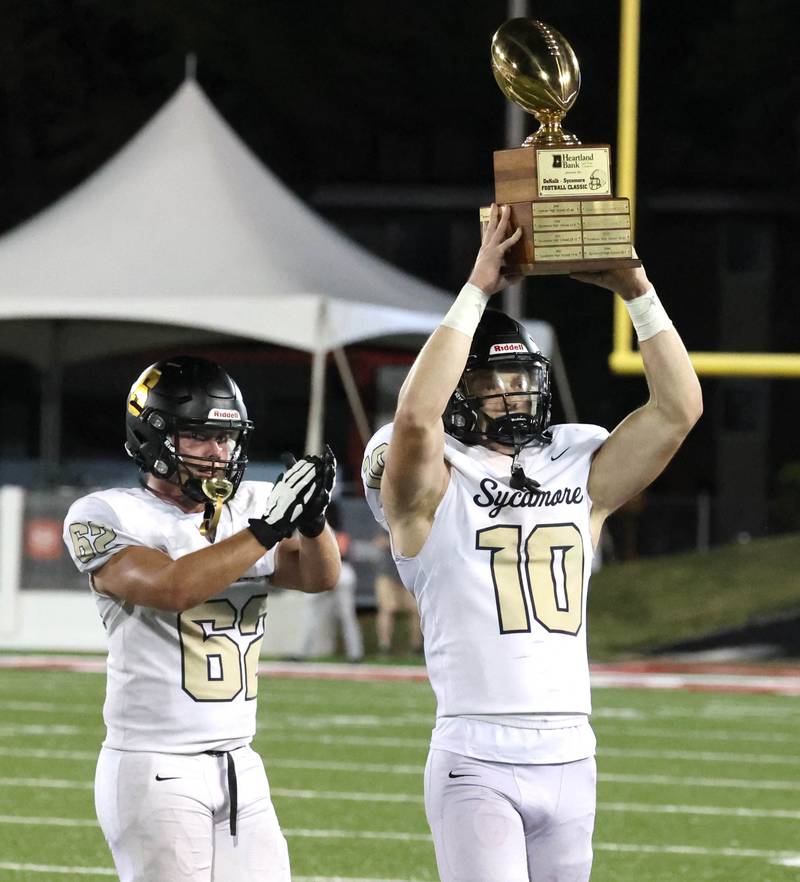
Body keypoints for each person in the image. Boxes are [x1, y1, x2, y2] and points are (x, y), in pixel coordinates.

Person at [361, 204, 702, 882]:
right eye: (492, 383)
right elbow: (416, 420)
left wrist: (638, 290)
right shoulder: (429, 477)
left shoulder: (575, 461)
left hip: (573, 753)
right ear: (460, 391)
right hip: (477, 757)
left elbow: (678, 410)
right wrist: (478, 288)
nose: (512, 397)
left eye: (521, 380)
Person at [63, 355, 341, 882]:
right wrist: (267, 528)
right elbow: (172, 589)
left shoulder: (252, 506)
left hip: (240, 761)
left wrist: (311, 520)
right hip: (154, 765)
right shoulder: (105, 514)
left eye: (228, 438)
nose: (220, 453)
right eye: (201, 437)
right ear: (154, 437)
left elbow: (319, 577)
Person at [298, 501, 364, 662]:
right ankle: (355, 654)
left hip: (336, 573)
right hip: (342, 573)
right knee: (343, 616)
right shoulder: (338, 532)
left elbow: (340, 553)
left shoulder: (328, 532)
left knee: (338, 615)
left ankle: (302, 653)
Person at [372, 531, 422, 655]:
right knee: (387, 609)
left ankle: (417, 647)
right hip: (387, 573)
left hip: (408, 573)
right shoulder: (388, 519)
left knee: (416, 610)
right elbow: (380, 542)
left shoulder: (415, 520)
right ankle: (384, 647)